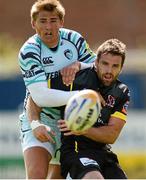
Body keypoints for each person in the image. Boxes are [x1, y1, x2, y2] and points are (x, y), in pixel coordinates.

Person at [28, 38, 130, 179]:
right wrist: (35, 123)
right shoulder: (74, 79)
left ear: (121, 68)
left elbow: (111, 135)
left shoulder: (121, 91)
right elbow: (36, 96)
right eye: (105, 64)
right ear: (96, 62)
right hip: (75, 151)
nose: (109, 70)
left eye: (115, 66)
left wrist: (81, 129)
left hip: (103, 153)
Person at [18, 0, 97, 179]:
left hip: (70, 121)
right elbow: (41, 97)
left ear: (61, 22)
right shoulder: (29, 51)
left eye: (53, 20)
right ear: (33, 24)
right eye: (42, 21)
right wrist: (81, 97)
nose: (48, 27)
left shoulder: (74, 39)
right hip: (41, 118)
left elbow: (98, 68)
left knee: (58, 175)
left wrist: (79, 65)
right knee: (36, 175)